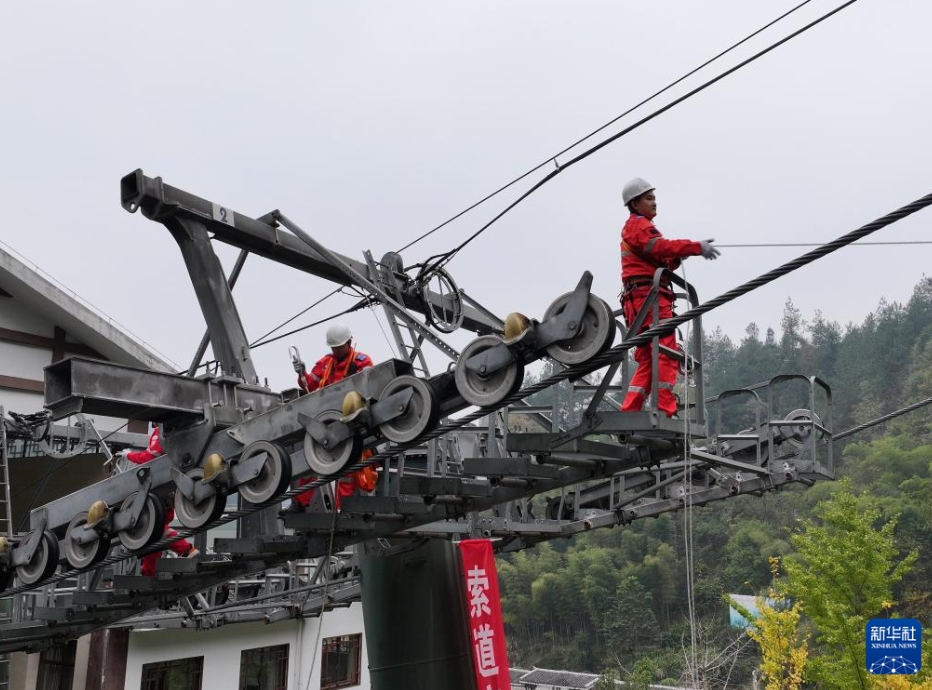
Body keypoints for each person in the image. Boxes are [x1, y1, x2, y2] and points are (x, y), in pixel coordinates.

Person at [619, 178, 720, 418]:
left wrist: (682, 254)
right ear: (634, 202)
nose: (654, 203)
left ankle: (630, 411)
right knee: (665, 350)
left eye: (654, 198)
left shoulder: (637, 229)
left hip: (639, 300)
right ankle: (665, 410)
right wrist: (694, 247)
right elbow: (661, 247)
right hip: (649, 299)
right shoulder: (638, 226)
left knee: (648, 359)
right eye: (649, 198)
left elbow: (662, 258)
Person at [288, 324, 379, 512]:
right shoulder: (325, 363)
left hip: (350, 422)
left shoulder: (362, 361)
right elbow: (310, 386)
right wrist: (301, 374)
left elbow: (370, 387)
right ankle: (299, 503)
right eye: (333, 347)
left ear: (349, 342)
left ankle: (342, 509)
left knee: (350, 469)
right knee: (311, 461)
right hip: (327, 422)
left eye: (339, 346)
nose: (336, 350)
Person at [115, 425, 199, 576]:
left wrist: (129, 456)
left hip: (159, 492)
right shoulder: (172, 431)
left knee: (154, 530)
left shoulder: (161, 431)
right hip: (165, 491)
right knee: (153, 533)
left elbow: (151, 459)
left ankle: (185, 550)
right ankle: (149, 571)